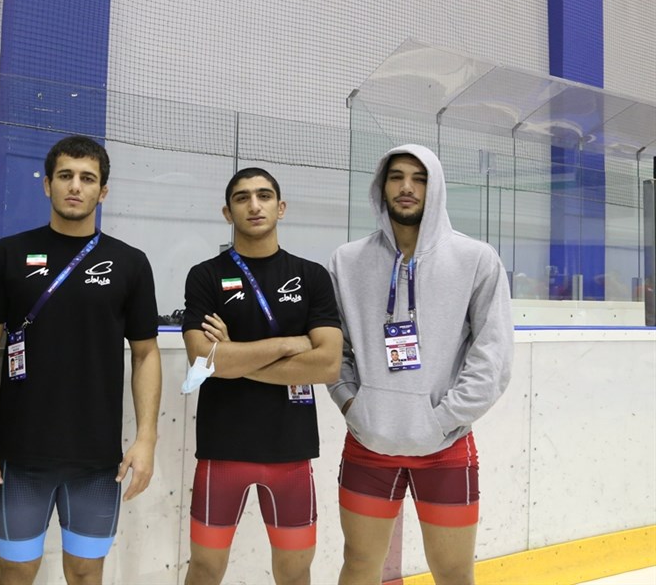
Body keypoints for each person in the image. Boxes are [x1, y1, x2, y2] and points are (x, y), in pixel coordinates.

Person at [0, 135, 162, 585]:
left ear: (103, 191)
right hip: (20, 458)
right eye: (66, 176)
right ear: (47, 184)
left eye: (88, 178)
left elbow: (146, 353)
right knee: (15, 571)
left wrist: (146, 439)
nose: (76, 186)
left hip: (97, 462)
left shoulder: (129, 263)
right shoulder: (7, 255)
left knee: (86, 573)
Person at [328, 145, 513, 585]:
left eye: (420, 178)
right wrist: (352, 404)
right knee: (359, 563)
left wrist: (442, 420)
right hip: (369, 443)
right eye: (396, 177)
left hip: (445, 447)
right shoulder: (347, 261)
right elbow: (336, 347)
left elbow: (492, 355)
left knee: (453, 573)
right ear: (381, 186)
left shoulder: (475, 259)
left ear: (437, 187)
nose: (407, 187)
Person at [180, 168, 342, 585]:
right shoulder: (205, 276)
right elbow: (204, 360)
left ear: (280, 207)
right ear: (227, 212)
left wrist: (234, 355)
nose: (254, 205)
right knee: (204, 570)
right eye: (242, 198)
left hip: (291, 454)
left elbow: (327, 364)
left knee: (295, 573)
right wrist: (290, 344)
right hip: (222, 452)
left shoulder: (311, 276)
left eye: (264, 196)